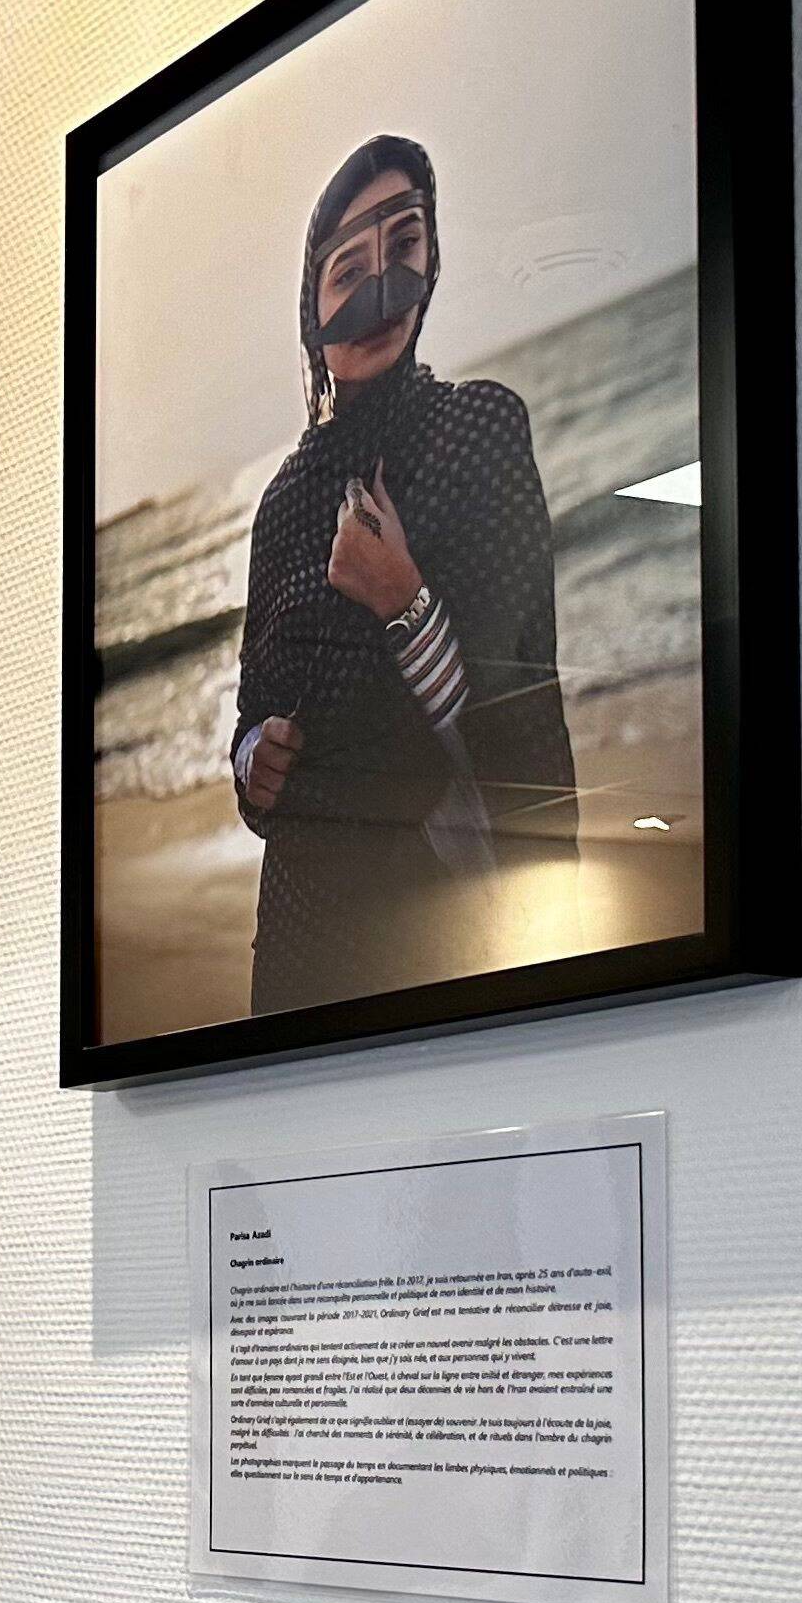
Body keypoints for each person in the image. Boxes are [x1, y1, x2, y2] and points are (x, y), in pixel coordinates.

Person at [229, 135, 574, 1017]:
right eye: (347, 271)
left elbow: (519, 721)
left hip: (441, 926)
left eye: (404, 245)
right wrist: (252, 764)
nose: (380, 289)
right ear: (312, 308)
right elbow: (253, 717)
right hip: (300, 936)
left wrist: (402, 601)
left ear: (433, 256)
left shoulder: (479, 430)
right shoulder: (281, 505)